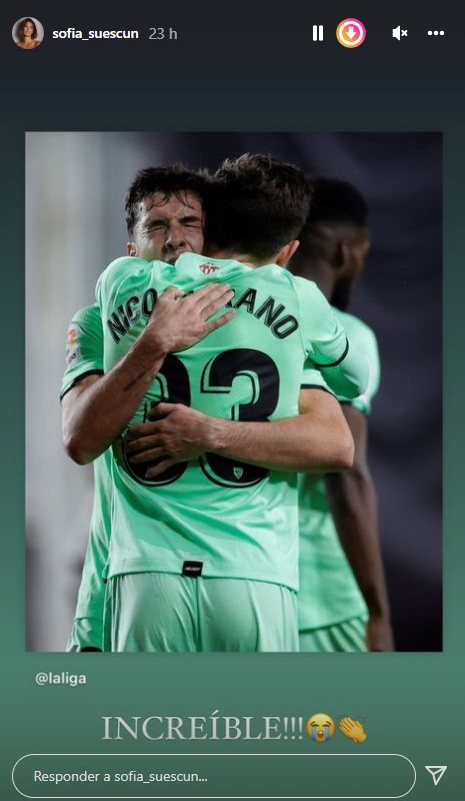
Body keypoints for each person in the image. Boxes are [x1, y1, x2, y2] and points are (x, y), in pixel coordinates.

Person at [96, 153, 367, 652]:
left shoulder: (121, 280)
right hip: (253, 569)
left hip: (147, 572)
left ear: (212, 226)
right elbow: (354, 381)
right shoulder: (297, 299)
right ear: (288, 250)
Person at [63, 165, 233, 650]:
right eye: (156, 225)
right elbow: (79, 440)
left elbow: (335, 444)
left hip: (234, 577)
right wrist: (153, 342)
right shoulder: (95, 323)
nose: (175, 238)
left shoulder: (254, 317)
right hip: (123, 581)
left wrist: (212, 434)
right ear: (131, 250)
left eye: (190, 222)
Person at [289, 177, 394, 652]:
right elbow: (345, 473)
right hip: (325, 599)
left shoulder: (241, 320)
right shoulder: (346, 335)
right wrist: (378, 613)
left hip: (247, 577)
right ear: (348, 250)